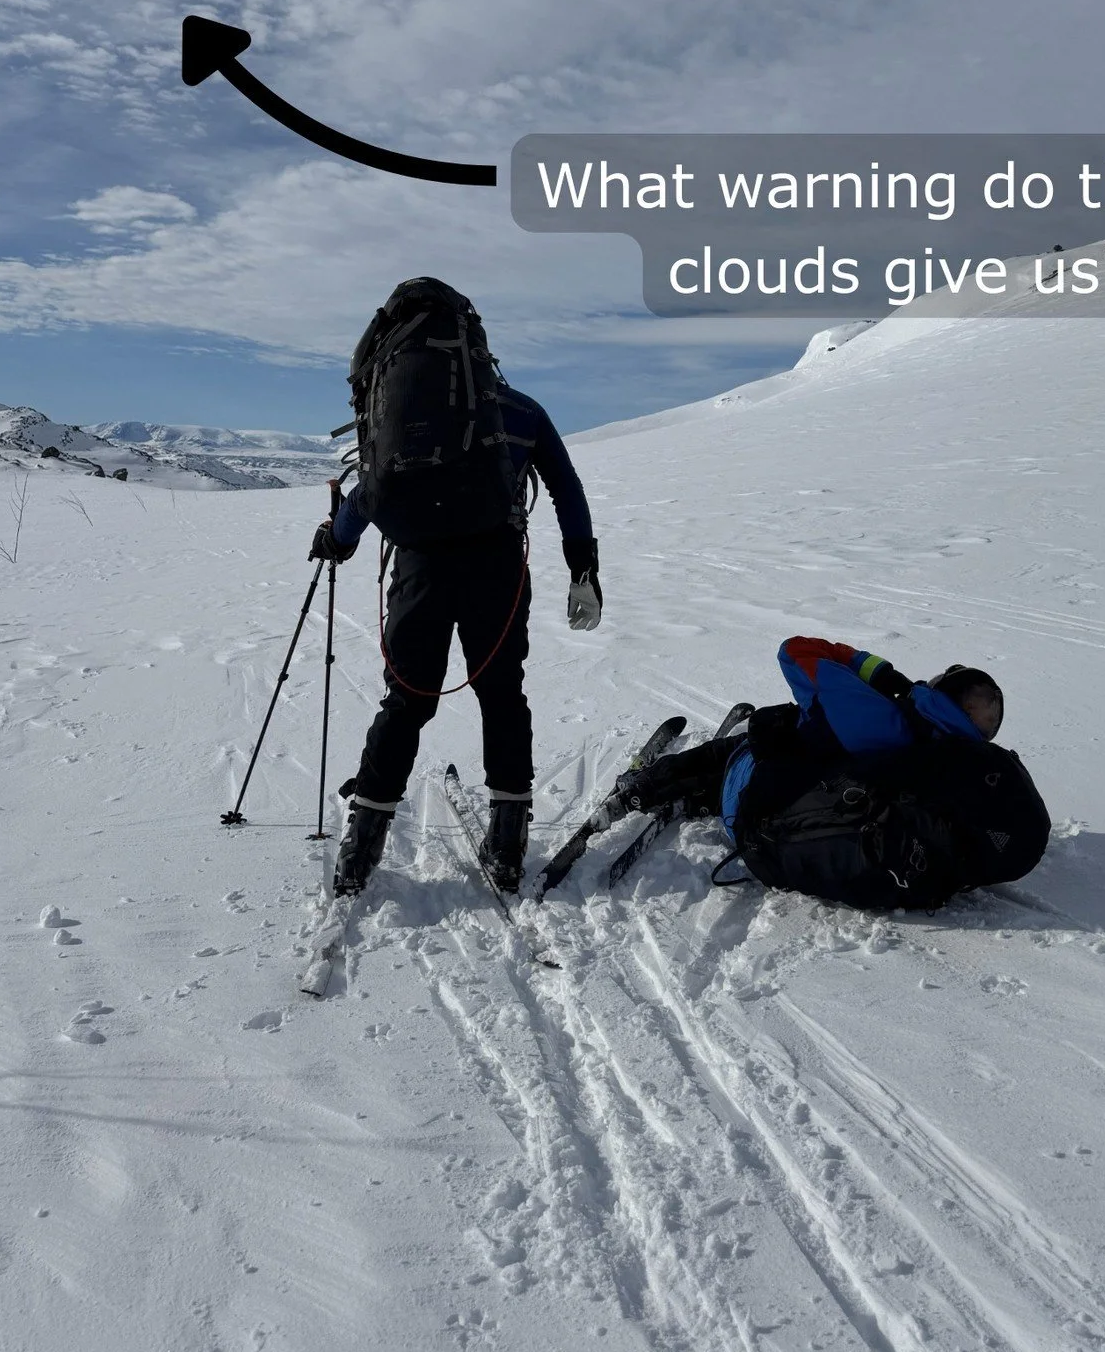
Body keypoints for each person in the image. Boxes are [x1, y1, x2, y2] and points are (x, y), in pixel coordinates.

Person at [310, 278, 601, 899]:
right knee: (501, 694)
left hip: (418, 567)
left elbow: (370, 489)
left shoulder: (396, 410)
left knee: (407, 701)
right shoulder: (517, 409)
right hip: (497, 567)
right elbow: (565, 490)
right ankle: (506, 841)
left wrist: (337, 538)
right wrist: (583, 568)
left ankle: (362, 846)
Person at [597, 637, 1050, 912]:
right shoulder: (953, 765)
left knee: (738, 749)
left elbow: (794, 651)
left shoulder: (878, 713)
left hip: (757, 807)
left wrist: (883, 675)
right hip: (794, 826)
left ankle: (640, 787)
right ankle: (701, 797)